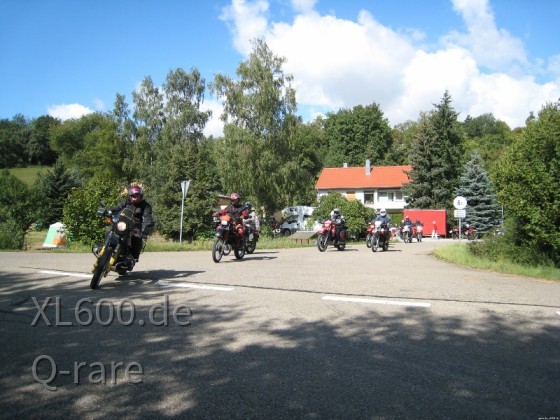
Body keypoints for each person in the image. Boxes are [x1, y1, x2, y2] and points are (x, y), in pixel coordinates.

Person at [110, 185, 154, 262]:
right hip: (122, 222)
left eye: (136, 195)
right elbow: (117, 208)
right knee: (110, 229)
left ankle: (133, 257)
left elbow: (147, 216)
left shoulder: (145, 205)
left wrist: (147, 226)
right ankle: (107, 246)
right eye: (132, 195)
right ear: (130, 196)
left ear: (140, 196)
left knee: (137, 237)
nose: (134, 196)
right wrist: (109, 211)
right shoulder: (126, 202)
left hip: (135, 225)